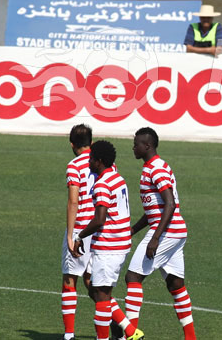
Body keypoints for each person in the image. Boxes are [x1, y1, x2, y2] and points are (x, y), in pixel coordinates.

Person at [124, 127, 197, 339]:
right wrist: (133, 230)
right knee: (175, 284)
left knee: (133, 276)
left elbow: (170, 204)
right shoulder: (153, 167)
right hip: (175, 232)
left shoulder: (155, 169)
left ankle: (131, 334)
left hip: (167, 233)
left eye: (136, 143)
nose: (133, 147)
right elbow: (154, 209)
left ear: (147, 146)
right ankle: (191, 336)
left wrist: (155, 238)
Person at [71, 140, 143, 340]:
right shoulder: (118, 179)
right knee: (96, 290)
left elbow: (100, 219)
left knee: (102, 298)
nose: (88, 162)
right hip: (119, 244)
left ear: (99, 161)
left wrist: (80, 236)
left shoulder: (102, 184)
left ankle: (107, 337)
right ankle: (130, 332)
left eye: (92, 158)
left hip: (108, 247)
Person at [61, 124, 95, 340]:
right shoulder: (107, 162)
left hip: (82, 227)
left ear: (72, 144)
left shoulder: (74, 166)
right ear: (91, 142)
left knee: (69, 279)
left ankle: (69, 335)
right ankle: (126, 329)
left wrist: (70, 235)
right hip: (100, 228)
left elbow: (74, 201)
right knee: (94, 283)